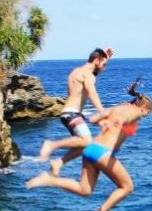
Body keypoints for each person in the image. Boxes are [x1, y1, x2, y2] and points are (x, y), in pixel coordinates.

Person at [27, 81, 152, 211]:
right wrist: (119, 121)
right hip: (103, 152)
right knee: (127, 187)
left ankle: (49, 179)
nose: (146, 116)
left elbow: (93, 119)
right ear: (144, 108)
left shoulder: (116, 108)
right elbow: (128, 116)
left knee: (85, 189)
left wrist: (107, 121)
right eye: (148, 113)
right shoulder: (134, 112)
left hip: (90, 150)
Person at [39, 47, 114, 176]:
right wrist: (102, 112)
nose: (104, 68)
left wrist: (106, 58)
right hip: (72, 113)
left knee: (83, 145)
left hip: (68, 113)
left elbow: (93, 75)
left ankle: (59, 162)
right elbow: (92, 92)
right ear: (96, 60)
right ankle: (51, 145)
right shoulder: (87, 74)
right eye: (104, 64)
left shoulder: (77, 72)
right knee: (87, 141)